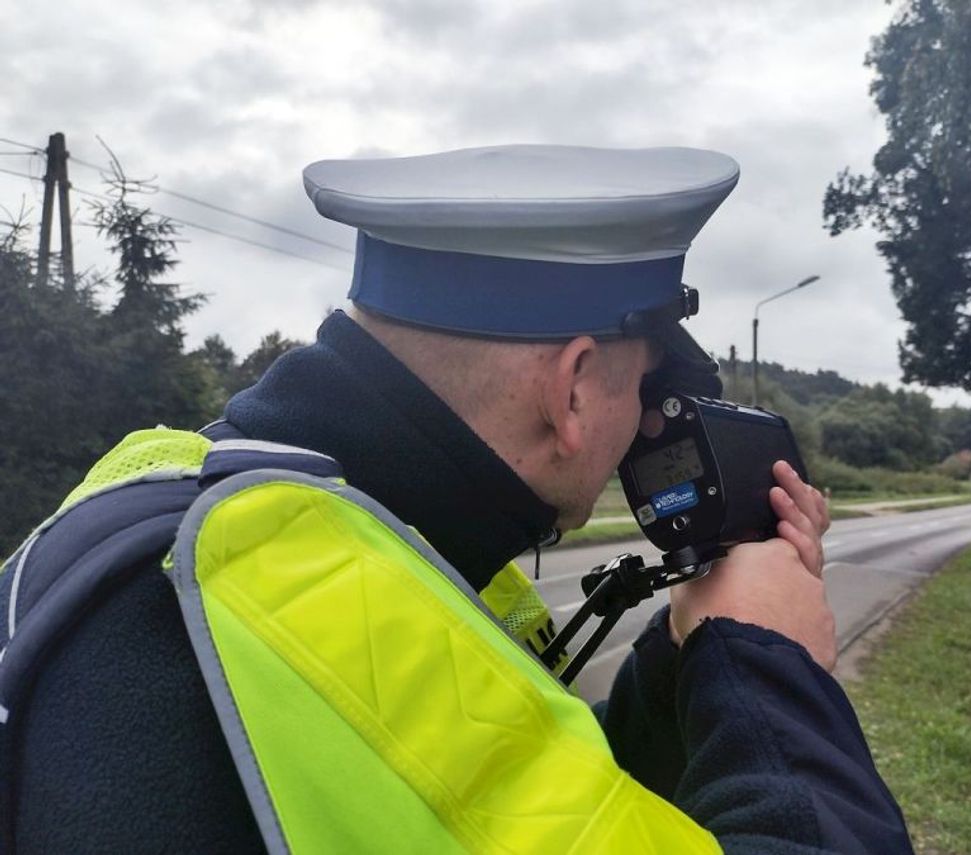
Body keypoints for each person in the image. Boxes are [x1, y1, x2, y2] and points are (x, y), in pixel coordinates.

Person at [0, 145, 912, 853]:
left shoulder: (192, 504)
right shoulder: (315, 602)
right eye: (641, 387)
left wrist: (684, 652)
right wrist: (767, 663)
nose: (640, 426)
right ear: (574, 387)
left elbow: (525, 800)